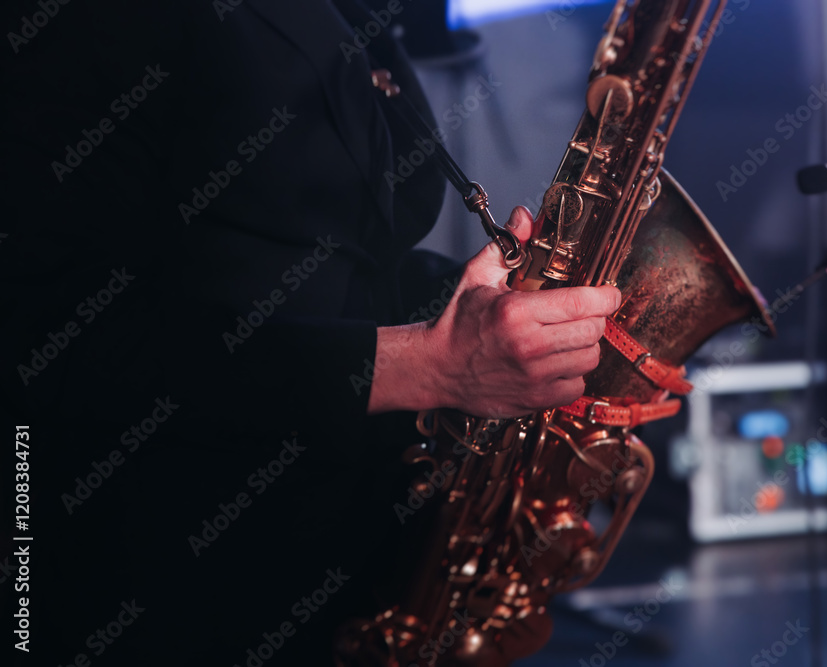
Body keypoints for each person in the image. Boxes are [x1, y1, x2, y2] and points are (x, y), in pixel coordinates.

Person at [0, 0, 618, 664]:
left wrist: (519, 313)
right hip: (163, 596)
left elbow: (320, 263)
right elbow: (49, 343)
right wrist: (427, 364)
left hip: (347, 572)